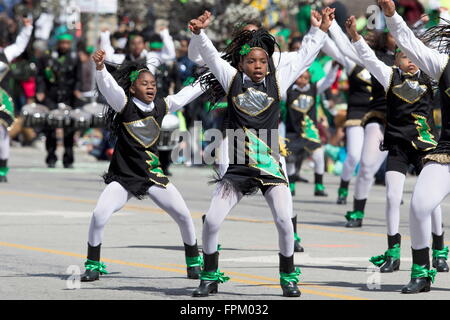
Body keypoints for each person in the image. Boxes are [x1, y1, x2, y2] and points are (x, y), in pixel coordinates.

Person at [188, 8, 334, 298]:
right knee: (213, 220)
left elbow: (305, 56)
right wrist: (199, 33)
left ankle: (288, 277)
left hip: (271, 168)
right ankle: (209, 276)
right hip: (239, 169)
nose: (257, 65)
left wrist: (319, 30)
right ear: (241, 63)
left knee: (284, 221)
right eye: (251, 61)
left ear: (269, 64)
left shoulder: (278, 81)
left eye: (262, 61)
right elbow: (213, 58)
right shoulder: (231, 80)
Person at [80, 49, 205, 282]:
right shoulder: (124, 105)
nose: (150, 87)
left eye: (153, 83)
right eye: (144, 84)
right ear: (132, 88)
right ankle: (93, 265)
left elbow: (185, 94)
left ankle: (193, 263)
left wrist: (208, 78)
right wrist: (100, 69)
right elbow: (109, 88)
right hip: (124, 177)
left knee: (184, 216)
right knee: (99, 215)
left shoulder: (160, 106)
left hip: (152, 176)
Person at [346, 15, 448, 276]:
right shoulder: (389, 76)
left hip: (426, 147)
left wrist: (423, 24)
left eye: (412, 57)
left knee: (431, 203)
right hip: (399, 147)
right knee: (393, 196)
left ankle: (439, 251)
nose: (410, 61)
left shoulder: (430, 76)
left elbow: (423, 45)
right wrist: (356, 39)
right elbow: (369, 59)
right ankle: (392, 252)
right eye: (404, 57)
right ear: (396, 60)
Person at [379, 0, 450, 294]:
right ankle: (421, 273)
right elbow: (408, 42)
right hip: (447, 150)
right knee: (420, 206)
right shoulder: (443, 65)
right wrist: (392, 16)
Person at [329, 19, 397, 227]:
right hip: (377, 119)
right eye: (393, 34)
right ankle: (357, 212)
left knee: (405, 179)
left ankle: (435, 236)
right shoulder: (377, 59)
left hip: (409, 123)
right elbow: (347, 50)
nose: (398, 39)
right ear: (386, 38)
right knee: (366, 167)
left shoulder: (419, 61)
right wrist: (330, 25)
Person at [285, 65, 339, 197]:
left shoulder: (314, 89)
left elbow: (328, 81)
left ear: (309, 78)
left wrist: (334, 68)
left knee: (318, 155)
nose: (302, 80)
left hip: (310, 132)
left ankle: (319, 186)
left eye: (305, 77)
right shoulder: (288, 92)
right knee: (290, 159)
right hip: (293, 132)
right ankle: (291, 186)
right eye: (300, 77)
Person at [35, 33, 82, 168]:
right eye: (62, 43)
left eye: (67, 43)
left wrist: (77, 90)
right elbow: (40, 76)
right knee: (50, 127)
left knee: (69, 128)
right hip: (51, 95)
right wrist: (40, 91)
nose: (64, 46)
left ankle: (68, 158)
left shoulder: (74, 58)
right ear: (58, 43)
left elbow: (78, 77)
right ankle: (51, 156)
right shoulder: (48, 57)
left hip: (68, 96)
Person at [0, 16, 32, 182]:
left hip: (2, 100)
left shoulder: (5, 53)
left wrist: (27, 29)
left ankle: (2, 168)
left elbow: (20, 45)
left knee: (2, 133)